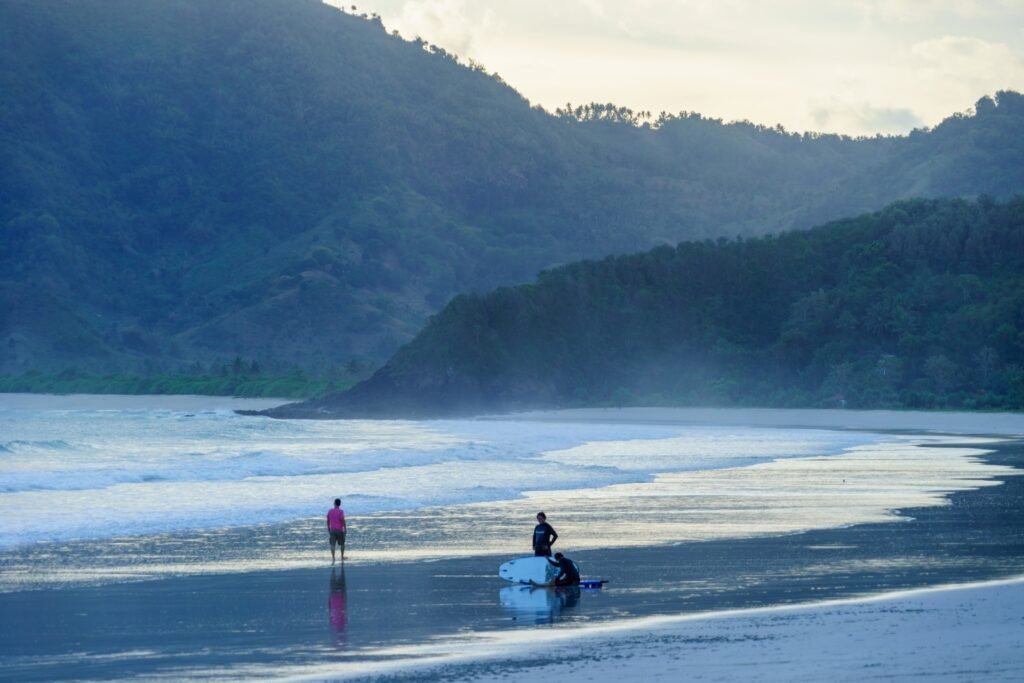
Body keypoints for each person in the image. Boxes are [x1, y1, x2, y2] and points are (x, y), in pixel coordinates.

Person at [327, 498, 347, 563]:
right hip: (339, 529)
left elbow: (328, 520)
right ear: (340, 504)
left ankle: (333, 558)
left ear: (334, 503)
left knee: (332, 544)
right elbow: (342, 520)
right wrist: (345, 528)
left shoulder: (330, 511)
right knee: (342, 544)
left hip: (332, 529)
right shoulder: (341, 511)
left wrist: (328, 527)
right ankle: (342, 556)